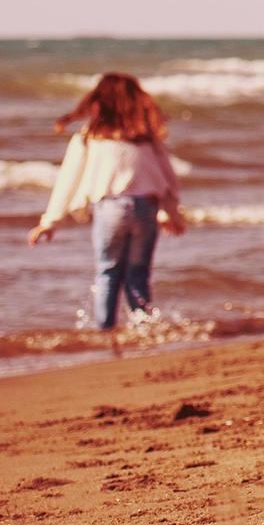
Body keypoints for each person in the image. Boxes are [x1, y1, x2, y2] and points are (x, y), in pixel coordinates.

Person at [28, 72, 186, 353]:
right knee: (138, 274)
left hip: (111, 208)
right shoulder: (145, 139)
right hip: (145, 209)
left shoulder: (89, 137)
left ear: (99, 101)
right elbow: (168, 179)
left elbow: (68, 180)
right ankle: (144, 328)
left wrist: (49, 222)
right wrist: (170, 213)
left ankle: (105, 332)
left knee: (108, 271)